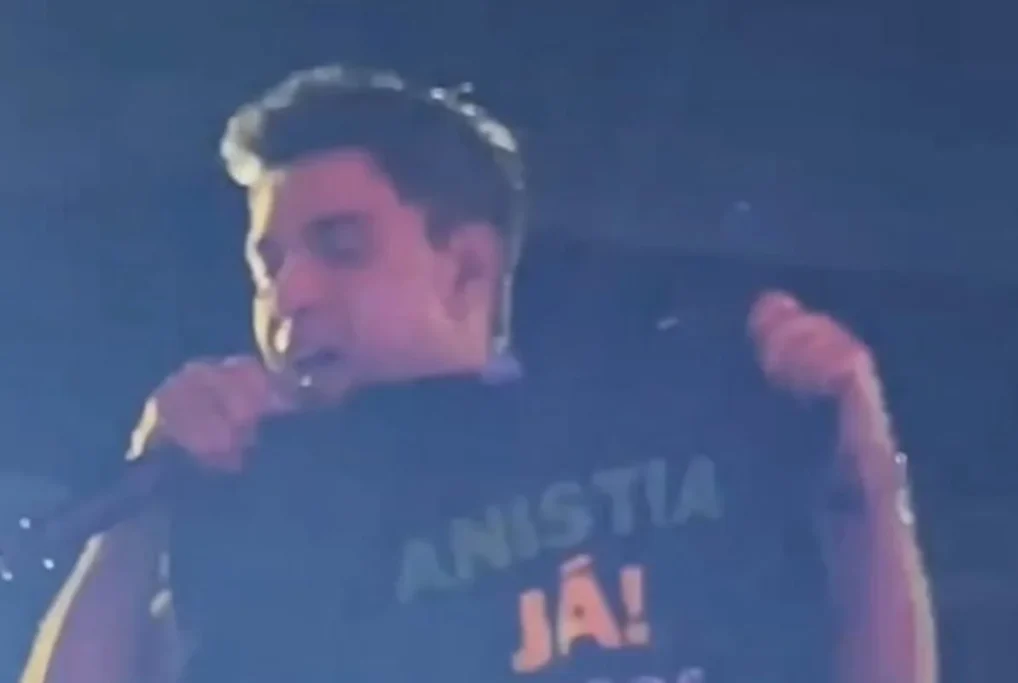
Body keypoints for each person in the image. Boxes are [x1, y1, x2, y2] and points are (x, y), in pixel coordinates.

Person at [20, 65, 936, 683]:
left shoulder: (662, 420)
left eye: (339, 247)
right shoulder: (271, 506)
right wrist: (140, 508)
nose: (289, 293)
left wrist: (860, 459)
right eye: (269, 265)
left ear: (465, 265)